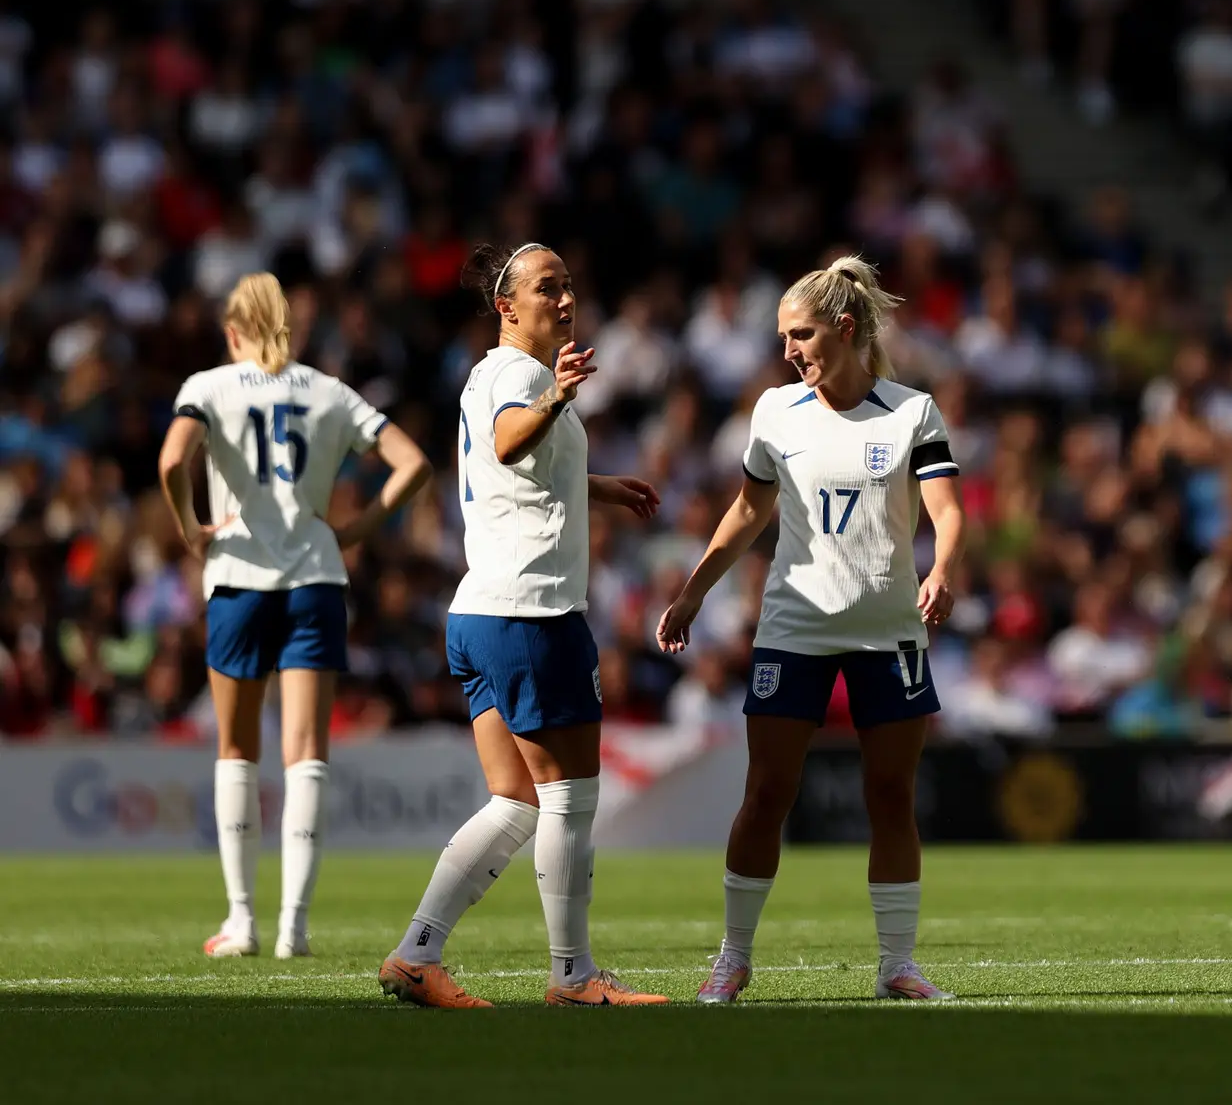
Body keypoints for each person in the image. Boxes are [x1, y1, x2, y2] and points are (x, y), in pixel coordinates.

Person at [657, 252, 967, 1004]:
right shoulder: (773, 412)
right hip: (793, 628)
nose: (788, 350)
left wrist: (943, 567)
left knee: (891, 795)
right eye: (782, 338)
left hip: (888, 630)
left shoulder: (911, 410)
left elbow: (948, 509)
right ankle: (732, 960)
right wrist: (695, 592)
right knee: (767, 792)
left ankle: (897, 964)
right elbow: (746, 512)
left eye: (799, 334)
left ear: (845, 327)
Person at [377, 242, 663, 1008]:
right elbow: (509, 442)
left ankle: (415, 954)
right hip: (531, 613)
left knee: (515, 802)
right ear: (507, 306)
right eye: (547, 287)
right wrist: (560, 399)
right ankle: (574, 976)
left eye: (569, 284)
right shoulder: (523, 377)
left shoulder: (489, 374)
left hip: (480, 610)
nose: (565, 299)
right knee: (569, 796)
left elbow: (508, 471)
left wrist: (601, 487)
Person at [158, 273, 432, 960]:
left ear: (232, 332)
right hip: (315, 577)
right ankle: (295, 928)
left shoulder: (209, 386)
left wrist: (191, 528)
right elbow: (413, 463)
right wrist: (362, 524)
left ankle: (243, 920)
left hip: (241, 578)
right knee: (307, 751)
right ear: (289, 328)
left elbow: (170, 462)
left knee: (236, 747)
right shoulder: (327, 390)